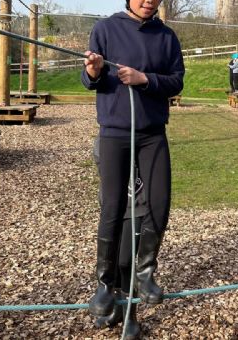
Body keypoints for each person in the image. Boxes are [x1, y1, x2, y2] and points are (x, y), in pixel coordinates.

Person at [82, 0, 185, 319]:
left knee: (159, 203)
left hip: (152, 133)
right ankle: (104, 284)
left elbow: (176, 81)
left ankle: (145, 274)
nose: (150, 0)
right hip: (114, 132)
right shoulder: (105, 29)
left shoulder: (167, 37)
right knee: (112, 206)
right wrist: (94, 71)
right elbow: (90, 81)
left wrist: (145, 79)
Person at [93, 137, 144, 339]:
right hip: (112, 208)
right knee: (110, 261)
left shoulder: (143, 135)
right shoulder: (104, 137)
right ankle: (117, 311)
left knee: (125, 262)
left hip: (136, 207)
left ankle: (131, 317)